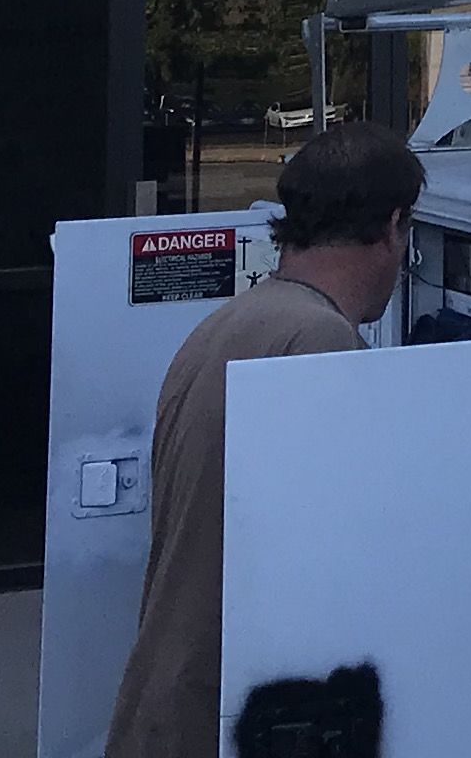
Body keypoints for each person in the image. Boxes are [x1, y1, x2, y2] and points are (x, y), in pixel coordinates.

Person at [104, 120, 422, 758]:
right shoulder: (319, 345)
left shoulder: (230, 324)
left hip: (162, 707)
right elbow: (337, 564)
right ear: (392, 228)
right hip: (215, 721)